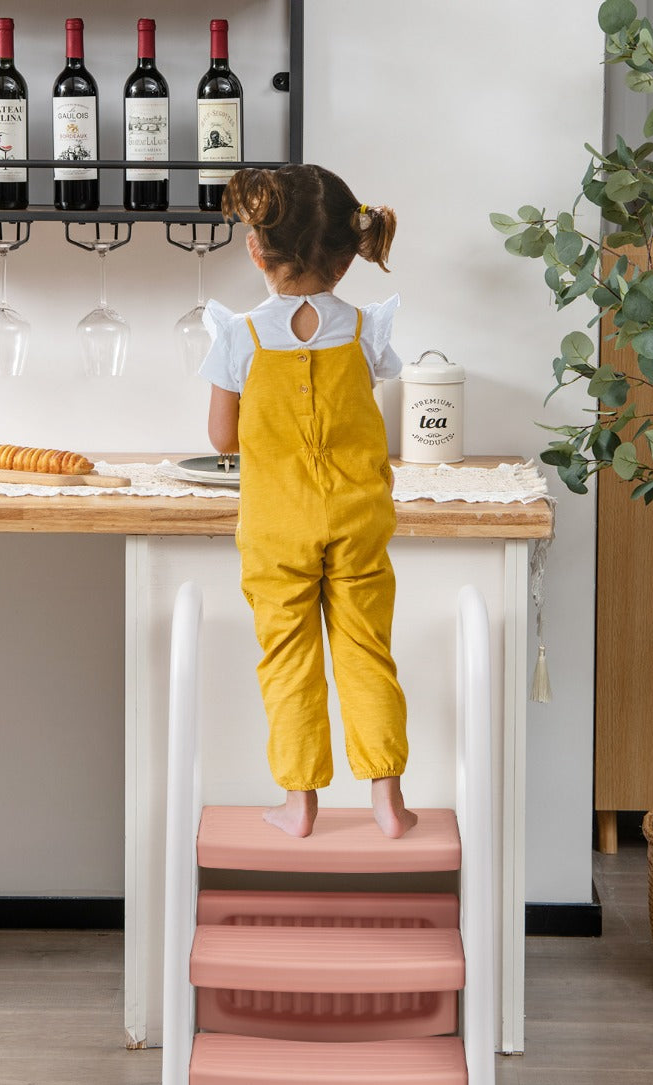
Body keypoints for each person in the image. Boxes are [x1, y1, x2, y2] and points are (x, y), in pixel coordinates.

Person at [200, 163, 416, 839]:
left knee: (287, 658)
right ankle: (387, 798)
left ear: (255, 248)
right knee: (366, 649)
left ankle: (299, 803)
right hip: (358, 520)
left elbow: (221, 436)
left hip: (274, 528)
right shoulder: (363, 329)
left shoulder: (238, 334)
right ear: (350, 257)